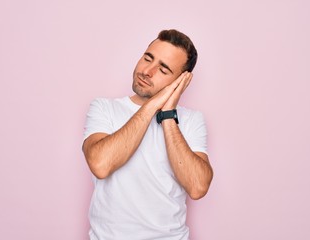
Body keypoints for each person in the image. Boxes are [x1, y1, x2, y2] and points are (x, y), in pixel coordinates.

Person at [82, 29, 213, 240]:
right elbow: (101, 165)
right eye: (147, 58)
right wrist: (153, 105)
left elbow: (197, 187)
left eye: (163, 69)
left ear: (180, 81)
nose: (147, 71)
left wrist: (168, 114)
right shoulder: (104, 108)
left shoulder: (191, 121)